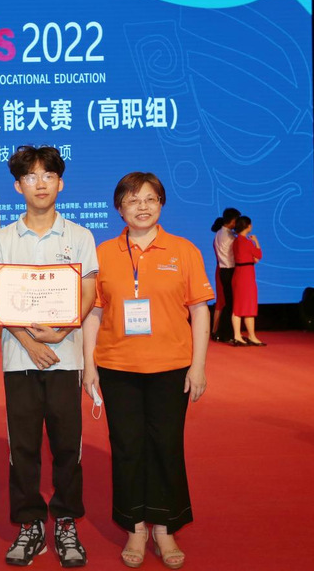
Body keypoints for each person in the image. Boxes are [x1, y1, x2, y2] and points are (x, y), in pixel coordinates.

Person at [82, 172, 213, 570]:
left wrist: (199, 366)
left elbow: (199, 310)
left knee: (166, 446)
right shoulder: (104, 253)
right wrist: (89, 365)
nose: (142, 207)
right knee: (127, 447)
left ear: (161, 204)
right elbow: (94, 312)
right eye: (133, 200)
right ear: (119, 208)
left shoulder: (184, 250)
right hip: (117, 366)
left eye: (150, 199)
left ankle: (165, 527)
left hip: (171, 367)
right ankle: (135, 527)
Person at [0, 146, 97, 568]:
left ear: (60, 183)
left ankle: (66, 520)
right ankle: (29, 522)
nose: (40, 184)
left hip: (66, 359)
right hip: (19, 360)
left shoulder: (79, 237)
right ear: (18, 186)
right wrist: (30, 342)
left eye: (48, 175)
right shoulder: (2, 239)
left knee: (68, 445)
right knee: (23, 447)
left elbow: (87, 293)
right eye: (31, 177)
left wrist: (63, 331)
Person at [230, 216, 265, 346]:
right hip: (246, 276)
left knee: (238, 306)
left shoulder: (236, 241)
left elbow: (250, 257)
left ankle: (238, 335)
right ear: (248, 226)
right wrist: (256, 241)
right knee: (248, 305)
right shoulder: (246, 241)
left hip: (239, 274)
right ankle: (250, 336)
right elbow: (259, 255)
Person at [210, 208, 240, 341]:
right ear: (233, 221)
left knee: (225, 302)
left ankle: (218, 332)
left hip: (222, 269)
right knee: (228, 303)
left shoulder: (220, 233)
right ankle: (222, 333)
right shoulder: (230, 237)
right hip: (228, 269)